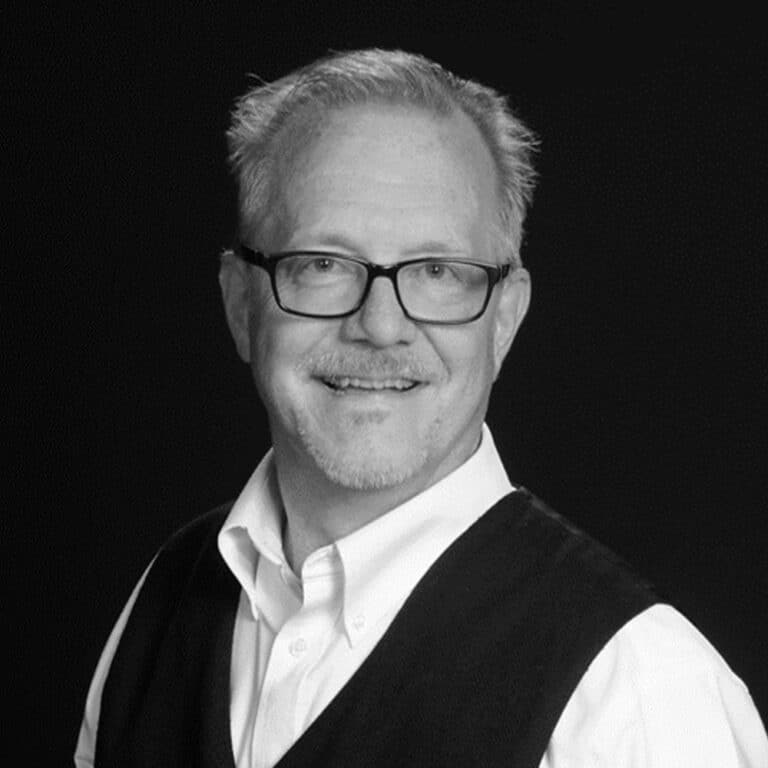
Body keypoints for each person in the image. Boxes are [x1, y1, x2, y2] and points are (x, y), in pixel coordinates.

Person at [75, 49, 767, 767]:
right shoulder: (160, 605)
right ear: (241, 305)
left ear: (504, 320)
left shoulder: (635, 695)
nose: (380, 325)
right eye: (323, 264)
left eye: (437, 272)